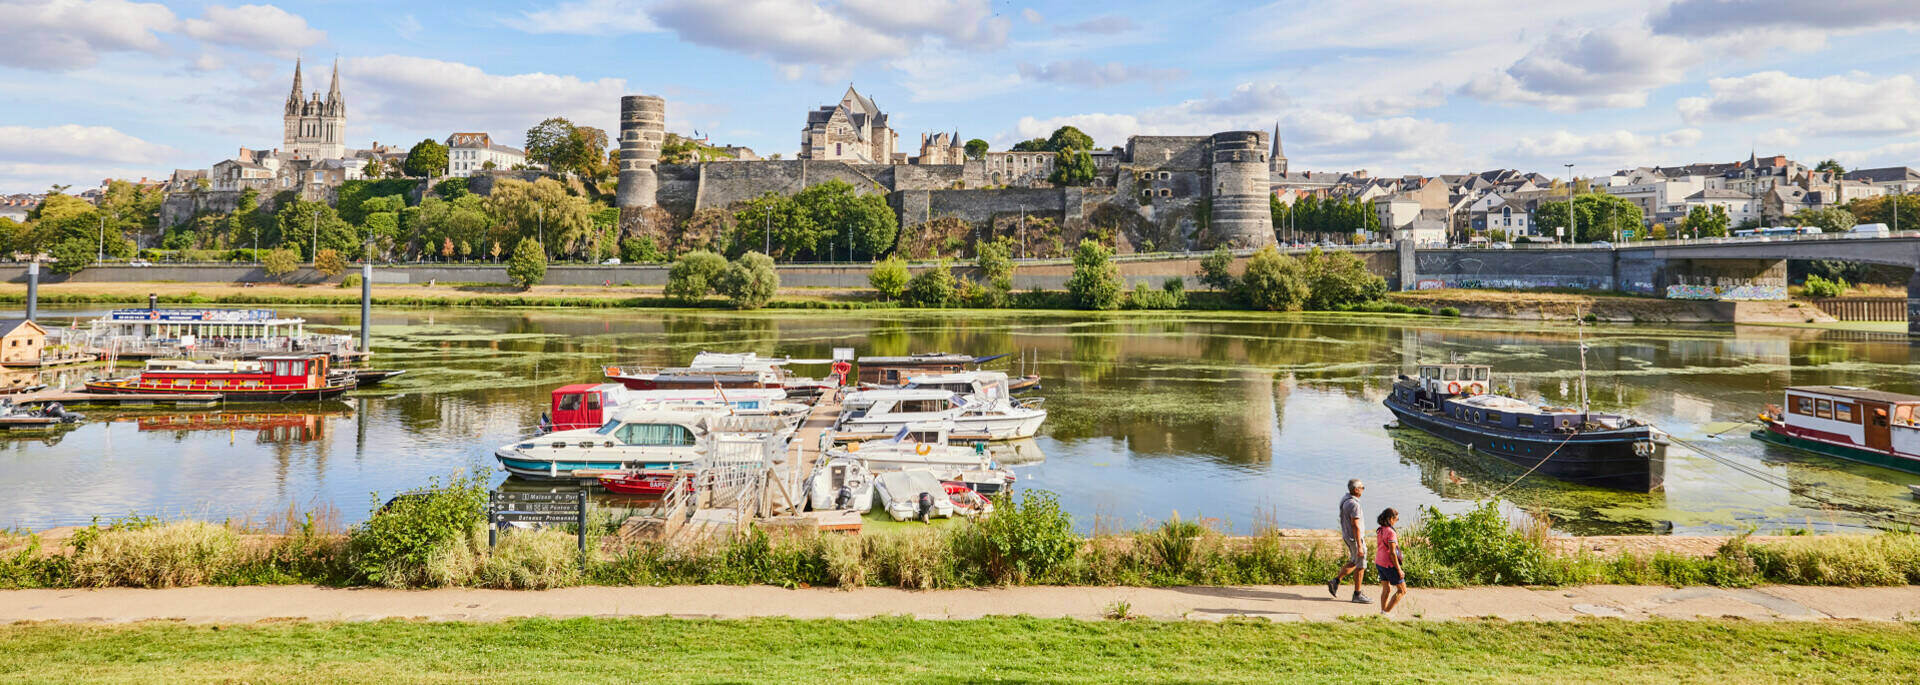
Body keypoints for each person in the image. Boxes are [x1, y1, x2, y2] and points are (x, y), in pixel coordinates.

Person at [1327, 478, 1371, 603]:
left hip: (1348, 536)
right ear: (1356, 489)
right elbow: (1355, 525)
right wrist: (1360, 545)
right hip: (1355, 538)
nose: (1363, 489)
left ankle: (1335, 581)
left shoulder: (1345, 499)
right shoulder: (1354, 504)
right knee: (1361, 565)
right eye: (1362, 487)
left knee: (1354, 561)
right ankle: (1357, 594)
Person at [1375, 507, 1407, 613]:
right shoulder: (1391, 532)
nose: (1396, 522)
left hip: (1379, 562)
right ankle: (1386, 612)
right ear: (1390, 518)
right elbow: (1393, 553)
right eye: (1396, 519)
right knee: (1402, 590)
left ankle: (1382, 611)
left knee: (1386, 589)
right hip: (1389, 564)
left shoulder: (1380, 529)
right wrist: (1399, 570)